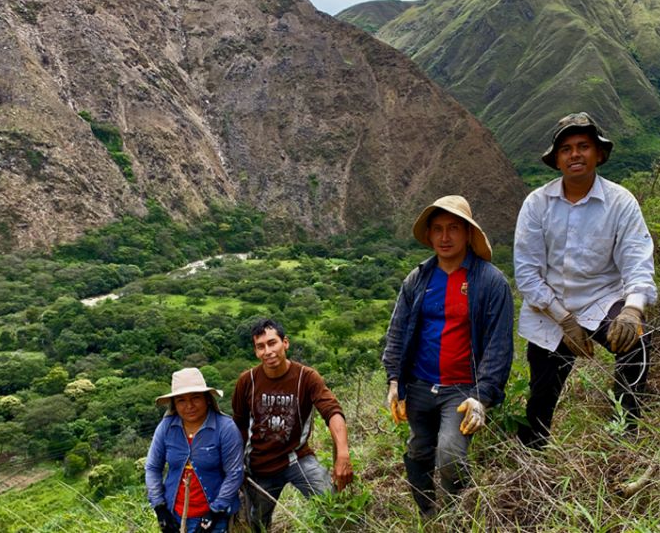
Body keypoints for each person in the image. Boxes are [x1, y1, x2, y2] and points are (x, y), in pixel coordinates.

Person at [514, 111, 657, 450]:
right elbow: (527, 272)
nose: (575, 154)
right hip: (549, 309)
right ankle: (531, 456)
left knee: (636, 343)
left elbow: (637, 258)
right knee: (542, 395)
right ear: (557, 159)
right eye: (566, 149)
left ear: (598, 154)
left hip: (601, 301)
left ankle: (626, 431)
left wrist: (633, 309)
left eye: (583, 146)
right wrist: (563, 319)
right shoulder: (537, 204)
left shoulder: (620, 202)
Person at [381, 195, 514, 516]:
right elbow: (397, 332)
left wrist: (482, 396)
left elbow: (498, 346)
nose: (444, 237)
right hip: (419, 386)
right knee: (418, 451)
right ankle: (429, 514)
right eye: (437, 229)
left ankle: (456, 514)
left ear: (468, 233)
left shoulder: (490, 282)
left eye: (453, 228)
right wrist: (394, 380)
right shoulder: (417, 280)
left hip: (462, 391)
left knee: (451, 454)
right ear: (429, 236)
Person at [232, 318, 354, 532]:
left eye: (272, 343)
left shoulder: (306, 377)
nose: (268, 351)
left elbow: (333, 412)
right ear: (255, 351)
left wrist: (343, 454)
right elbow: (239, 426)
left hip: (296, 457)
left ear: (285, 343)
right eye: (261, 346)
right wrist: (236, 466)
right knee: (257, 525)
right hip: (259, 466)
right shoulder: (247, 381)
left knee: (334, 507)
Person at [146, 367, 244, 533]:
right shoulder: (166, 427)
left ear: (207, 399)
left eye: (195, 398)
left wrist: (215, 511)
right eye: (181, 400)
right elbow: (152, 468)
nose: (189, 406)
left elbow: (234, 473)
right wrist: (160, 508)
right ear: (174, 404)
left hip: (214, 517)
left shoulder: (225, 428)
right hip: (175, 515)